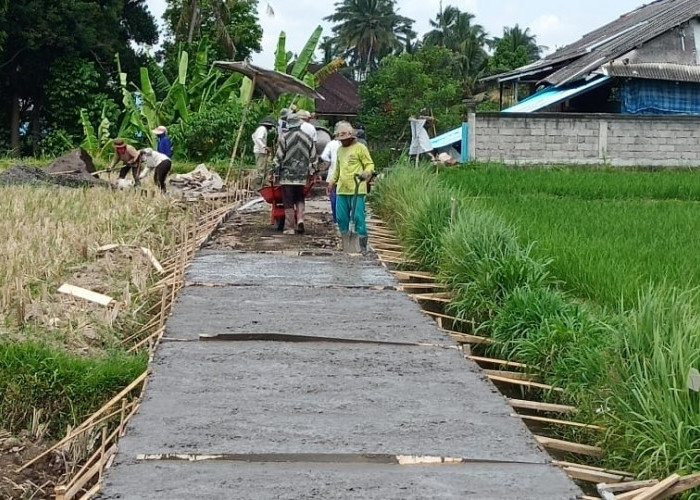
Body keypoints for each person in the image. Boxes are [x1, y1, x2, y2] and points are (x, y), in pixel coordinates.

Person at [327, 121, 374, 253]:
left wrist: (366, 173)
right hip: (342, 189)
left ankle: (362, 244)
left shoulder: (360, 148)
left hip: (357, 189)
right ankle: (346, 243)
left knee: (358, 217)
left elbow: (370, 164)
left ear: (350, 137)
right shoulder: (340, 150)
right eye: (340, 139)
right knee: (341, 217)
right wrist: (332, 182)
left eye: (345, 139)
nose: (342, 141)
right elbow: (338, 169)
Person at [274, 113, 316, 235]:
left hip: (287, 175)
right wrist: (312, 172)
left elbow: (279, 157)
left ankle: (289, 227)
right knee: (299, 197)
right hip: (302, 176)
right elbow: (313, 157)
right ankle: (301, 220)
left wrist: (275, 171)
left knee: (288, 201)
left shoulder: (285, 138)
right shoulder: (307, 138)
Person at [320, 128, 341, 224]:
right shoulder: (348, 145)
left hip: (333, 172)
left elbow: (323, 156)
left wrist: (330, 162)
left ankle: (335, 218)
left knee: (333, 195)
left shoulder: (331, 144)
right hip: (345, 174)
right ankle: (344, 217)